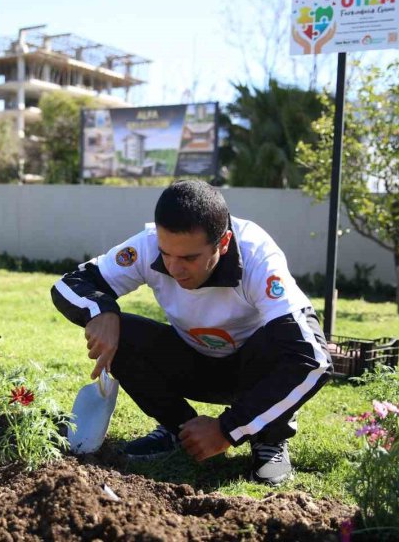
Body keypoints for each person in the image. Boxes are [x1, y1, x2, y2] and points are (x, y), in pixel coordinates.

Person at [50, 180, 332, 485]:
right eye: (166, 254)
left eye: (190, 258)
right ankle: (181, 432)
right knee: (125, 333)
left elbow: (313, 358)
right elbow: (70, 284)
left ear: (223, 244)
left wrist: (227, 428)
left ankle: (269, 439)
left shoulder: (257, 256)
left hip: (252, 372)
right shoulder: (147, 244)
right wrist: (101, 310)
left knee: (283, 343)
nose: (174, 268)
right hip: (193, 362)